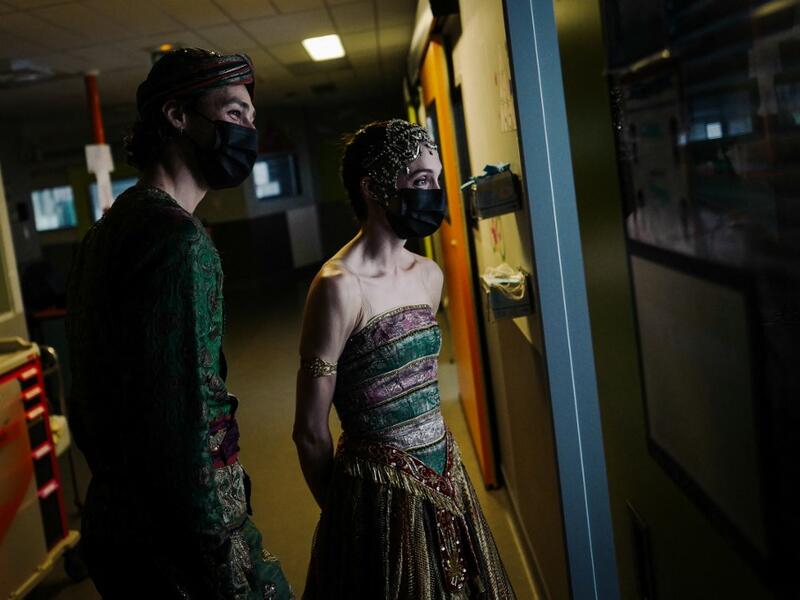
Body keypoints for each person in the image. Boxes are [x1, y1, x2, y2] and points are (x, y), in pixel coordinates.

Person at [66, 48, 292, 599]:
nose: (247, 132)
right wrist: (220, 557)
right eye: (234, 113)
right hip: (181, 542)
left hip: (117, 520)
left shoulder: (107, 230)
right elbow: (187, 418)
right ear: (177, 116)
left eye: (251, 119)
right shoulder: (180, 243)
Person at [294, 119, 515, 599]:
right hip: (374, 495)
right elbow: (309, 431)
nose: (434, 192)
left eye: (437, 179)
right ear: (372, 188)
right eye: (421, 180)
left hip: (447, 471)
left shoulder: (429, 275)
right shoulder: (337, 287)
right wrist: (345, 520)